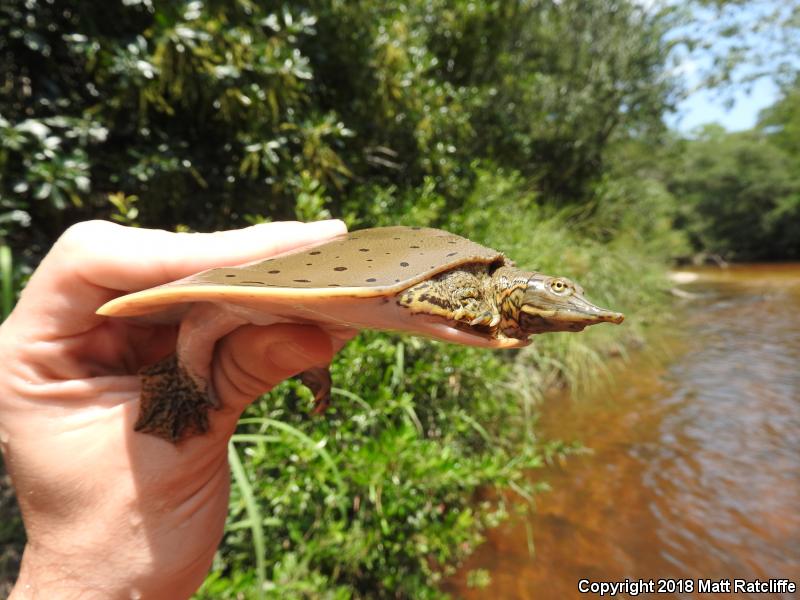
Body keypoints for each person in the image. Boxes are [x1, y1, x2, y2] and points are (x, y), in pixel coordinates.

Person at [0, 219, 356, 599]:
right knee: (198, 356)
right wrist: (81, 577)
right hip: (214, 312)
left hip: (262, 304)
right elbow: (197, 331)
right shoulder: (213, 305)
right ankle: (184, 391)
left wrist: (79, 581)